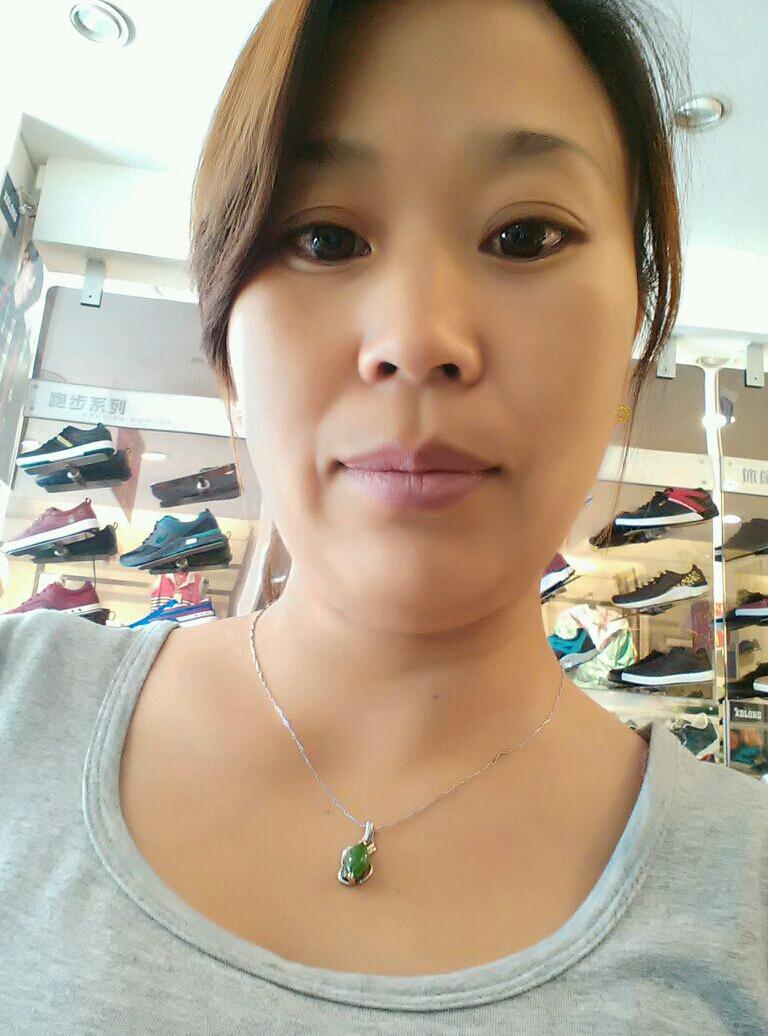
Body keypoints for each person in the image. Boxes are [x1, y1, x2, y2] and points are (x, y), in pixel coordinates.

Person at [1, 1, 766, 1032]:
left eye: (525, 236)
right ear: (226, 346)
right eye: (324, 237)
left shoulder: (746, 895)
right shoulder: (16, 707)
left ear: (634, 337)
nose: (417, 338)